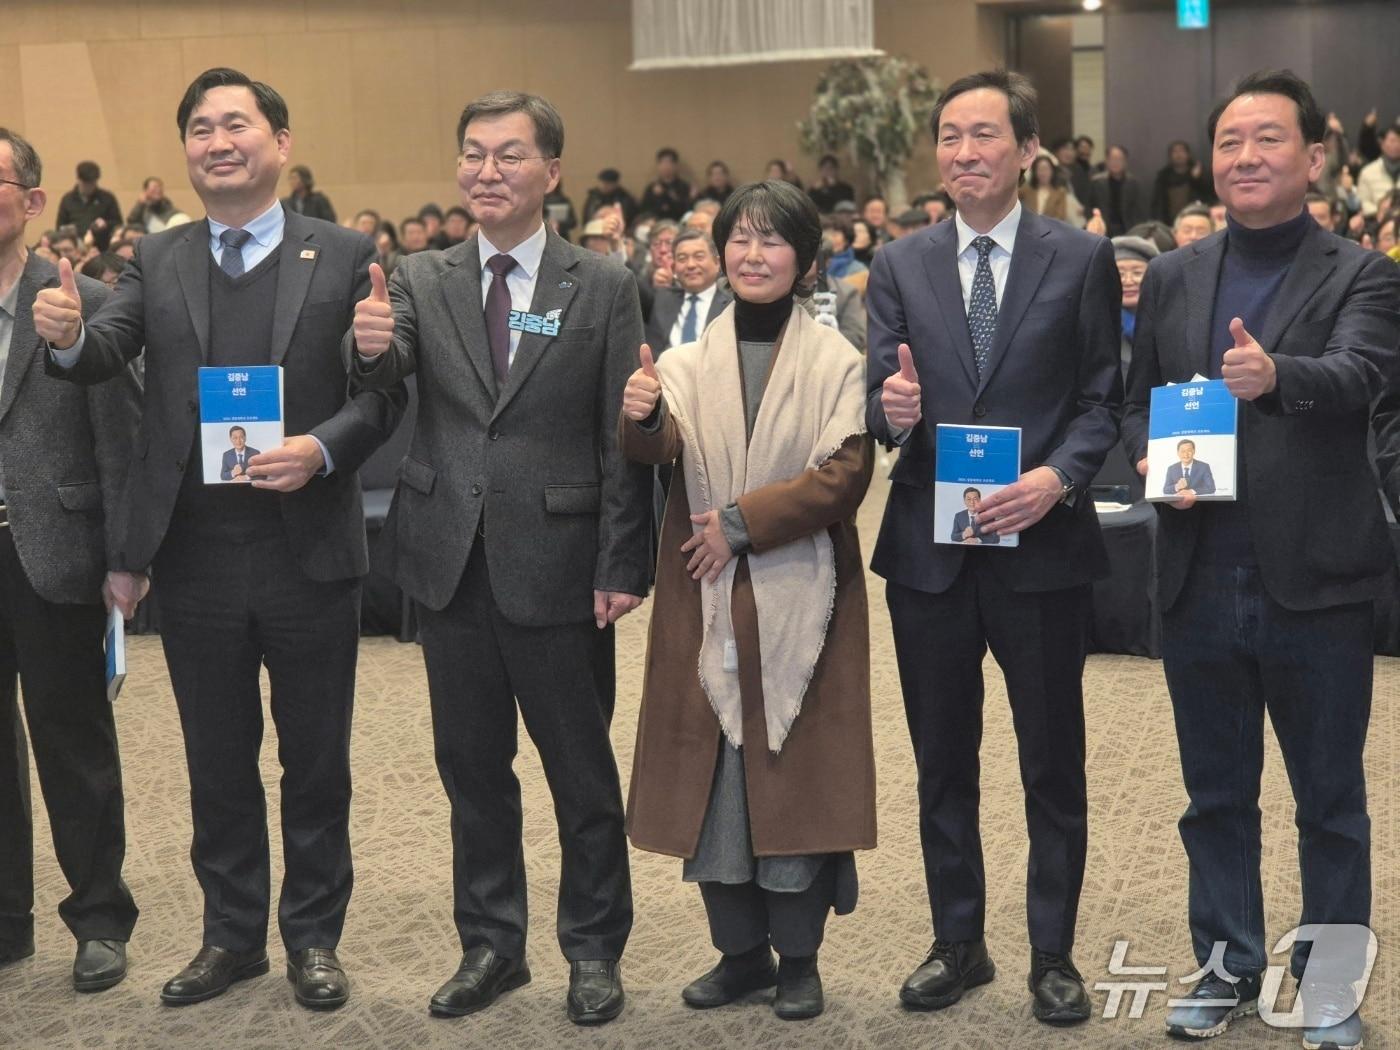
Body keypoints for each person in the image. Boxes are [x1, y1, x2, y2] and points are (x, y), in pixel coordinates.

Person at [35, 66, 406, 1012]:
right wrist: (69, 338)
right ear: (187, 152)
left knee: (315, 762)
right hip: (196, 554)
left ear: (280, 143)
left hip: (309, 551)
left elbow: (381, 396)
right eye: (200, 129)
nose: (217, 142)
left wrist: (321, 447)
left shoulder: (345, 251)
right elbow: (105, 349)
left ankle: (313, 938)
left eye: (236, 125)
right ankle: (232, 937)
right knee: (216, 763)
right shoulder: (157, 257)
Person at [348, 90, 651, 1026]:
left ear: (551, 172)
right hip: (450, 562)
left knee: (580, 775)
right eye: (473, 154)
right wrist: (368, 349)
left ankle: (593, 949)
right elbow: (387, 365)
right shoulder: (421, 276)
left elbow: (621, 436)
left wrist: (621, 562)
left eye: (509, 155)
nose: (487, 171)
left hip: (559, 560)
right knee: (472, 769)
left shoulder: (602, 284)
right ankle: (491, 944)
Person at [1121, 70, 1399, 1050]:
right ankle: (1226, 965)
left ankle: (1328, 990)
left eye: (1268, 139)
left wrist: (1277, 376)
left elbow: (1362, 375)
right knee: (1214, 798)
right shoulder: (1171, 274)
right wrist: (1149, 462)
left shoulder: (1362, 273)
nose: (1245, 156)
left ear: (1315, 158)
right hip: (1196, 573)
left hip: (1315, 581)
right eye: (1229, 141)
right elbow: (1136, 403)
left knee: (1328, 802)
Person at [866, 69, 1121, 1026]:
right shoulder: (899, 263)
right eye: (949, 135)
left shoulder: (1079, 256)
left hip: (1041, 545)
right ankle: (958, 942)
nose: (963, 152)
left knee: (1052, 761)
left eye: (983, 135)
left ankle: (1053, 952)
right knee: (942, 759)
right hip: (929, 554)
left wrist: (1057, 478)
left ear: (1026, 149)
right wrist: (890, 410)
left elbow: (1101, 400)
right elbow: (879, 399)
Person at [620, 178, 874, 1022]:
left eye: (772, 240)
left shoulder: (837, 361)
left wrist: (739, 523)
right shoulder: (684, 362)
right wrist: (643, 416)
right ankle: (739, 955)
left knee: (792, 778)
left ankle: (798, 961)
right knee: (715, 782)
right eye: (740, 237)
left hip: (804, 597)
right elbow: (659, 448)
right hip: (705, 594)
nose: (753, 254)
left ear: (805, 260)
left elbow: (845, 476)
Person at [0, 126, 142, 995]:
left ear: (32, 200)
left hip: (55, 550)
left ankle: (98, 918)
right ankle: (5, 921)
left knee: (72, 739)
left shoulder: (81, 298)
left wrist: (126, 557)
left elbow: (120, 439)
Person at [643, 229, 731, 354]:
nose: (690, 265)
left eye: (699, 257)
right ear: (673, 268)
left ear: (717, 263)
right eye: (682, 259)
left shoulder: (731, 306)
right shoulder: (661, 299)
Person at [1114, 234, 1159, 379]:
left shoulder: (1167, 321)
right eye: (1120, 274)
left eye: (1137, 273)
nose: (1128, 281)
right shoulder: (1098, 326)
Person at [1086, 145, 1149, 236]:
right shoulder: (1097, 182)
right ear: (1106, 161)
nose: (1115, 162)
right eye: (1112, 159)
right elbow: (1089, 208)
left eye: (1119, 159)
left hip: (1127, 229)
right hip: (1102, 229)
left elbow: (1140, 212)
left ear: (1125, 162)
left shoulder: (1134, 183)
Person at [1151, 140, 1214, 223]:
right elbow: (1158, 204)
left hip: (1196, 218)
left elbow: (1209, 195)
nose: (1179, 155)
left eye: (1182, 151)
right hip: (1170, 222)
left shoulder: (1198, 172)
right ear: (1170, 156)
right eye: (1175, 151)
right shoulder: (1164, 176)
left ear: (1188, 154)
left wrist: (1196, 179)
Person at [56, 162, 121, 240]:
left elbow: (118, 224)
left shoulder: (107, 198)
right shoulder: (67, 200)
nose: (89, 187)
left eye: (92, 184)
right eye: (85, 184)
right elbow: (59, 227)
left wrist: (106, 224)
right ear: (78, 180)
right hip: (76, 244)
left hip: (101, 244)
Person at [1019, 154, 1083, 225]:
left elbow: (1060, 217)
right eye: (1040, 169)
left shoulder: (1060, 192)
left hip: (1050, 228)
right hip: (1027, 226)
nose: (1043, 173)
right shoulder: (1026, 189)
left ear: (1052, 171)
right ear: (1035, 172)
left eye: (1046, 169)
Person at [1356, 121, 1399, 217]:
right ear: (1382, 143)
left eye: (1399, 141)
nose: (1396, 145)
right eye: (1393, 140)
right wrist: (1380, 210)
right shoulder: (1367, 172)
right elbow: (1362, 202)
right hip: (1375, 220)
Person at [641, 147, 691, 222]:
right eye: (663, 163)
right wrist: (658, 198)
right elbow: (645, 211)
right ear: (658, 165)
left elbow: (687, 211)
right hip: (657, 224)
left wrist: (673, 198)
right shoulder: (652, 188)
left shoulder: (684, 187)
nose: (666, 166)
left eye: (669, 163)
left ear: (676, 165)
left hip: (678, 223)